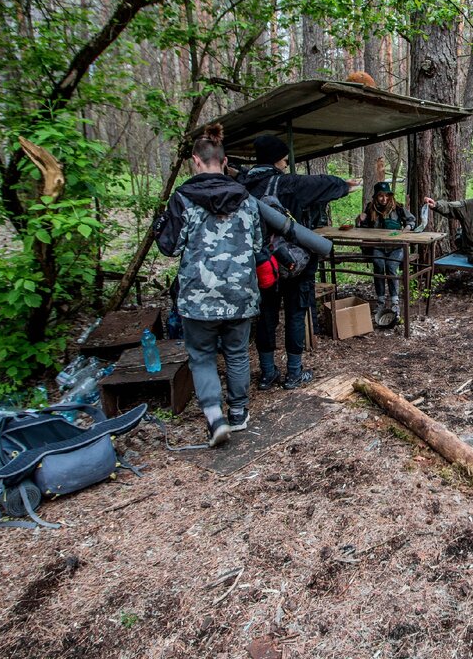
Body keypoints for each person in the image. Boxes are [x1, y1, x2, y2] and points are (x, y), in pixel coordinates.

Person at [155, 124, 261, 448]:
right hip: (240, 294)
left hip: (198, 298)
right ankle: (239, 413)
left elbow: (169, 247)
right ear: (224, 160)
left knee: (201, 356)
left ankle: (215, 417)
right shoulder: (248, 200)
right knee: (237, 353)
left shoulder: (183, 199)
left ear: (196, 162)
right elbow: (257, 246)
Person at [241, 134, 361, 389]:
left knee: (266, 316)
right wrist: (344, 185)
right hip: (295, 263)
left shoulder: (243, 186)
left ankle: (267, 373)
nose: (286, 164)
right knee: (295, 315)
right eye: (284, 160)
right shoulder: (287, 184)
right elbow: (322, 183)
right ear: (275, 161)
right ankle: (293, 374)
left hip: (260, 262)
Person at [355, 180, 416, 319]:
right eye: (380, 196)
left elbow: (411, 221)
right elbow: (362, 229)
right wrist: (359, 220)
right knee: (378, 265)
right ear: (376, 196)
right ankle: (381, 300)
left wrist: (406, 230)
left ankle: (395, 301)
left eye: (386, 195)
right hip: (378, 246)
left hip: (396, 246)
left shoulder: (398, 207)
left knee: (391, 267)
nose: (384, 199)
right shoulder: (370, 208)